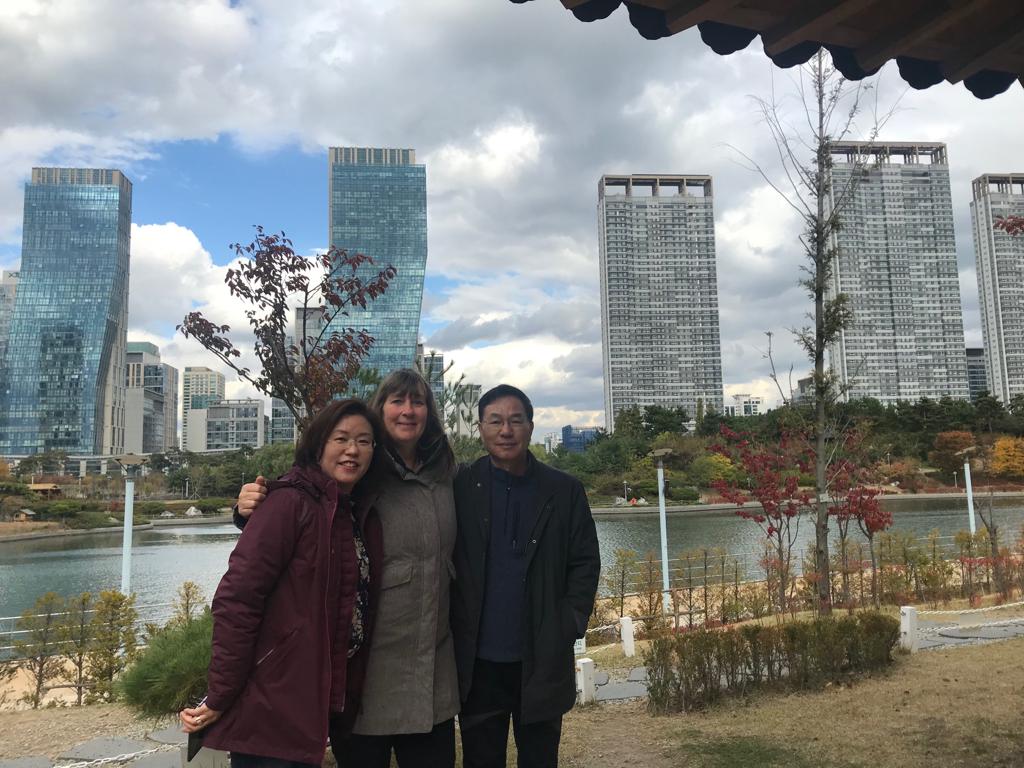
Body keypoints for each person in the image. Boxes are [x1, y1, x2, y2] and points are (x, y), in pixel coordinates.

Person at [236, 369, 459, 767]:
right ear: (380, 409)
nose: (408, 411)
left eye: (418, 402)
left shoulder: (448, 475)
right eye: (397, 401)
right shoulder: (359, 473)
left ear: (430, 412)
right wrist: (247, 508)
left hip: (432, 670)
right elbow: (302, 499)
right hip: (362, 672)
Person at [180, 398, 384, 768]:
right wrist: (221, 693)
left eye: (364, 441)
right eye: (341, 438)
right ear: (318, 444)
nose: (352, 450)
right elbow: (237, 599)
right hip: (271, 706)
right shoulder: (290, 502)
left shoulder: (347, 509)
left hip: (307, 705)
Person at [451, 384, 600, 768]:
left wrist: (568, 623)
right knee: (481, 760)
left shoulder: (563, 490)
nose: (506, 430)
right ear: (480, 428)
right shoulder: (461, 487)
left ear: (531, 427)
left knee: (540, 758)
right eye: (495, 421)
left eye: (516, 421)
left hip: (541, 658)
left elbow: (585, 563)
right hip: (478, 664)